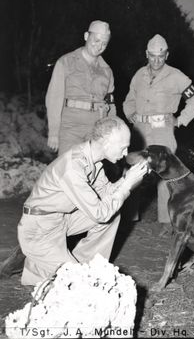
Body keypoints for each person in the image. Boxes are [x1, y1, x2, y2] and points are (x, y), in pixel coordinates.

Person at [17, 117, 148, 286]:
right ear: (107, 142)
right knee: (79, 283)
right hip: (39, 230)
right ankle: (56, 265)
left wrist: (126, 179)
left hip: (61, 220)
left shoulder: (92, 160)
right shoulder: (73, 166)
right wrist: (127, 185)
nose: (125, 153)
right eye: (123, 147)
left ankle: (86, 265)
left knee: (112, 214)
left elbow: (106, 194)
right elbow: (100, 213)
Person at [123, 34, 194, 231]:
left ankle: (167, 221)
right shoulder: (139, 74)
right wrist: (130, 114)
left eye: (161, 56)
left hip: (163, 131)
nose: (156, 61)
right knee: (132, 172)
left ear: (167, 55)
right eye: (152, 56)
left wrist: (180, 120)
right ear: (146, 54)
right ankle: (127, 218)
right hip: (139, 131)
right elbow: (129, 99)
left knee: (166, 175)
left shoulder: (177, 76)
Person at [46, 20, 116, 156]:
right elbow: (54, 98)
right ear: (86, 36)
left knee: (92, 172)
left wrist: (112, 133)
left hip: (96, 129)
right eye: (96, 40)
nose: (99, 46)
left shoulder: (107, 70)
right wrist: (53, 132)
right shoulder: (66, 62)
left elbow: (111, 104)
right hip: (70, 127)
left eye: (104, 43)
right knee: (69, 169)